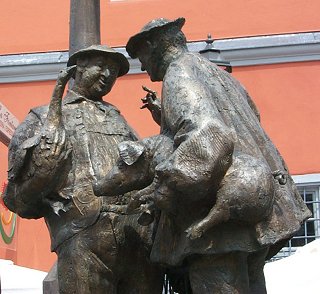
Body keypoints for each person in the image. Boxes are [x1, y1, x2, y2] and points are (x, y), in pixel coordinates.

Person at [125, 18, 311, 293]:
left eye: (141, 55)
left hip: (216, 221)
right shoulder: (216, 73)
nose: (142, 66)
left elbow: (209, 134)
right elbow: (241, 122)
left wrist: (163, 184)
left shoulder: (179, 73)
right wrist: (166, 120)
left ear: (154, 45)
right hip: (255, 204)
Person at [3, 45, 163, 294]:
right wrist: (44, 175)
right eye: (101, 65)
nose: (108, 74)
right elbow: (17, 198)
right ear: (78, 67)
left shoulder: (120, 120)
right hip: (83, 239)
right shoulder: (41, 117)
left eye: (113, 70)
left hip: (136, 238)